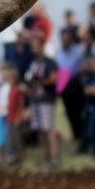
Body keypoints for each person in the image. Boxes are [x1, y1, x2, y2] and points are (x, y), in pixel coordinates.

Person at [24, 32, 61, 166]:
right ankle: (44, 156)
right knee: (40, 129)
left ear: (42, 46)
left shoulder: (49, 62)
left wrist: (39, 82)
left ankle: (55, 157)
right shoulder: (32, 62)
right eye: (32, 46)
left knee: (49, 129)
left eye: (36, 45)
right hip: (35, 99)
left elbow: (53, 78)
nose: (34, 48)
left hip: (46, 99)